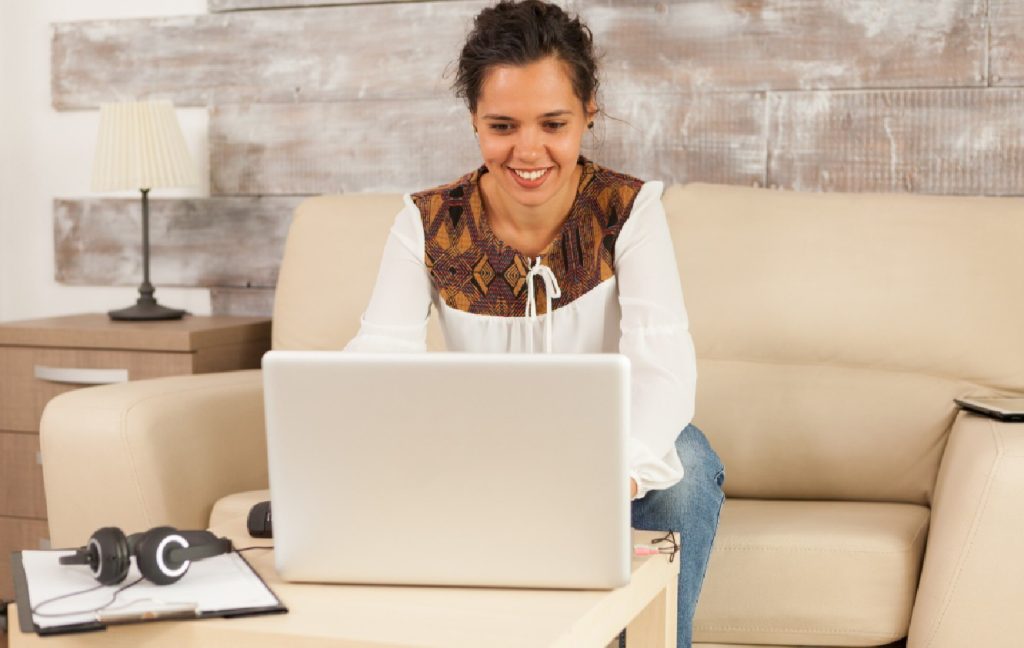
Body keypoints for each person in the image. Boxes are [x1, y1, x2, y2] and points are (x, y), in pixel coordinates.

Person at [344, 1, 725, 645]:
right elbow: (378, 356)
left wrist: (617, 471)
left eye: (554, 123)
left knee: (685, 461)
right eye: (501, 125)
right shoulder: (425, 223)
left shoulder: (630, 211)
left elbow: (663, 366)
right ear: (473, 121)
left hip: (611, 449)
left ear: (588, 113)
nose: (528, 151)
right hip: (482, 450)